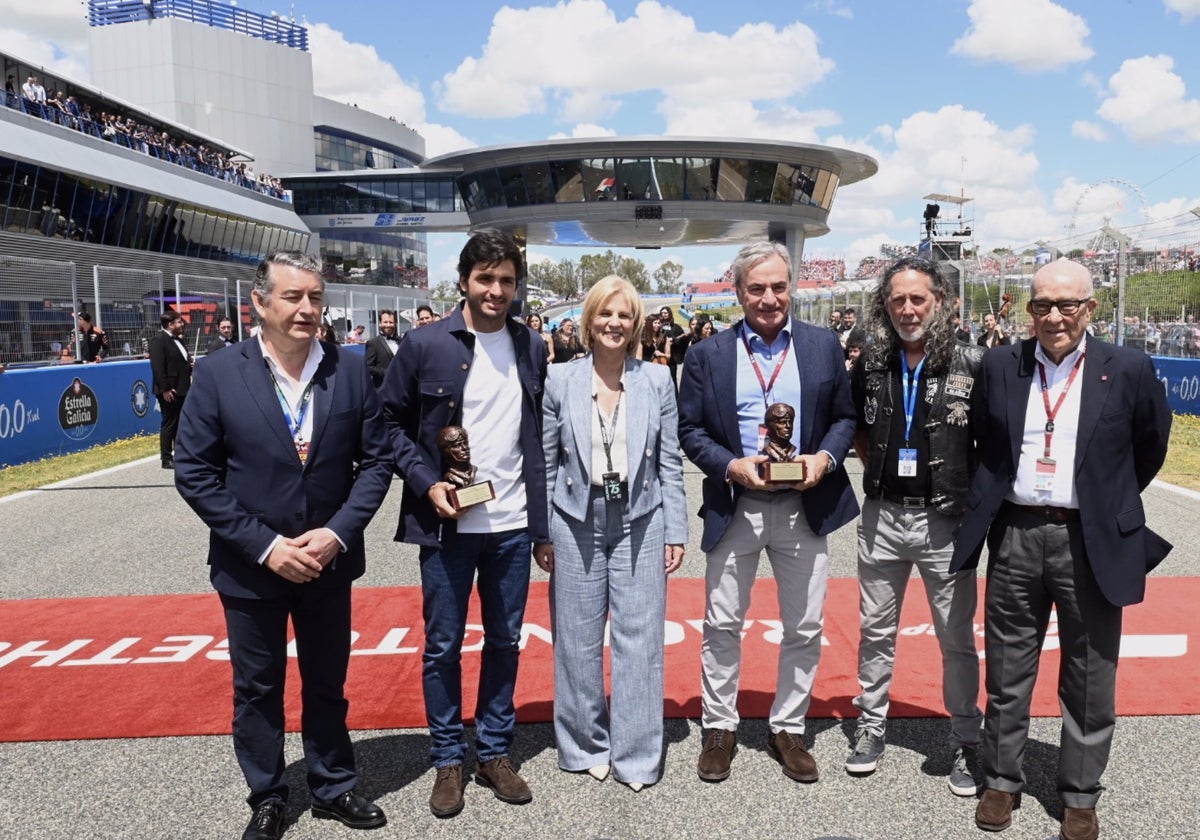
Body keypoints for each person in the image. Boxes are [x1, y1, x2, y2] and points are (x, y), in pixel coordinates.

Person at [951, 259, 1171, 840]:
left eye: (1066, 305)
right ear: (1029, 309)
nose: (1053, 316)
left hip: (1089, 537)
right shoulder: (1002, 363)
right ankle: (1000, 782)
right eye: (1041, 304)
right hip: (1017, 534)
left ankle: (1079, 794)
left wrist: (1102, 502)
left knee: (1091, 674)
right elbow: (984, 442)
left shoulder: (1127, 367)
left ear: (1090, 309)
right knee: (1007, 668)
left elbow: (1148, 447)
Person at [174, 252, 392, 840]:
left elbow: (376, 463)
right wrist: (266, 546)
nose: (306, 309)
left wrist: (338, 532)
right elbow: (194, 472)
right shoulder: (219, 372)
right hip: (252, 566)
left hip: (327, 559)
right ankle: (267, 795)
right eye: (293, 297)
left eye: (315, 298)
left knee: (327, 679)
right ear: (260, 303)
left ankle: (333, 785)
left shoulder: (348, 370)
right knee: (257, 688)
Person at [381, 229, 549, 818]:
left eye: (506, 280)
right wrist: (428, 483)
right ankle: (448, 758)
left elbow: (537, 439)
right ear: (464, 281)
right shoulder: (425, 345)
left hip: (511, 525)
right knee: (443, 647)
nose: (497, 290)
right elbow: (388, 426)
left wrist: (543, 525)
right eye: (486, 278)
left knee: (505, 642)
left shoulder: (532, 347)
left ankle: (494, 751)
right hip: (448, 526)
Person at [678, 240, 858, 784]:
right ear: (737, 293)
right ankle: (720, 727)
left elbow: (845, 419)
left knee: (804, 625)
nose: (769, 297)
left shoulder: (824, 346)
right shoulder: (707, 355)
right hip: (738, 506)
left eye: (778, 286)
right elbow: (690, 431)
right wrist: (730, 466)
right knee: (722, 623)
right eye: (756, 288)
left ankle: (789, 727)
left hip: (805, 506)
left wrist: (824, 459)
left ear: (792, 287)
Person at [534, 275, 687, 792]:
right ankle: (584, 746)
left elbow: (670, 462)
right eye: (605, 314)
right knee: (575, 640)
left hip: (642, 520)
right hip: (574, 520)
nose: (614, 324)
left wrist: (677, 531)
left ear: (636, 322)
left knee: (640, 640)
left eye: (624, 315)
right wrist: (543, 532)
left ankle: (638, 755)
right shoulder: (559, 379)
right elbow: (547, 462)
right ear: (589, 321)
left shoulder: (657, 381)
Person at [844, 257, 986, 796]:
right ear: (885, 304)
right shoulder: (874, 362)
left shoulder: (973, 361)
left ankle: (966, 740)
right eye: (897, 299)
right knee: (874, 631)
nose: (907, 309)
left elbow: (991, 443)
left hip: (945, 520)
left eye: (918, 299)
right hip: (882, 515)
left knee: (955, 639)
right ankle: (871, 726)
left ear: (940, 302)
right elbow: (856, 426)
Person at [148, 311, 192, 469]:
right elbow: (158, 367)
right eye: (179, 322)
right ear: (170, 324)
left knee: (181, 422)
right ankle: (166, 458)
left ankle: (180, 454)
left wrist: (189, 366)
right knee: (170, 422)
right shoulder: (159, 340)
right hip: (170, 390)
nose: (182, 324)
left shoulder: (178, 340)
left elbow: (180, 362)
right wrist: (165, 389)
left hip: (182, 387)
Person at [364, 309, 400, 387]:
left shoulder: (402, 341)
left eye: (391, 322)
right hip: (382, 388)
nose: (388, 325)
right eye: (385, 322)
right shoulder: (373, 343)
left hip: (401, 387)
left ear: (395, 324)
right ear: (380, 324)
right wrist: (386, 372)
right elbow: (368, 367)